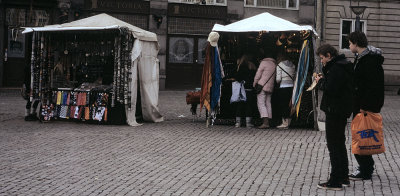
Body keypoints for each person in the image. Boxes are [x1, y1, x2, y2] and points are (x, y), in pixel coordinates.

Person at [315, 44, 354, 190]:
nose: (322, 61)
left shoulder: (337, 68)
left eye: (322, 58)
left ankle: (335, 180)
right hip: (340, 109)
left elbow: (331, 88)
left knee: (334, 145)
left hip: (335, 110)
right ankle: (343, 176)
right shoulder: (341, 65)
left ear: (329, 55)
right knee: (339, 143)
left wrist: (320, 82)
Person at [348, 31, 385, 181]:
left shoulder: (368, 61)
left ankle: (365, 170)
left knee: (360, 136)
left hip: (364, 106)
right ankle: (366, 167)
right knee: (363, 136)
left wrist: (365, 106)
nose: (349, 46)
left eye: (350, 43)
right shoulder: (362, 58)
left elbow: (372, 87)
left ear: (356, 43)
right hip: (361, 104)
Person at [253, 48, 277, 129]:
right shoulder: (275, 64)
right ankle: (268, 121)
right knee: (268, 103)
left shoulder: (263, 62)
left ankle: (265, 122)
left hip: (262, 85)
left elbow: (258, 74)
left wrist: (254, 83)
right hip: (270, 86)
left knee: (261, 103)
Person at [233, 54, 257, 128]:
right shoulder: (252, 67)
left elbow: (237, 77)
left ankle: (238, 123)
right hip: (249, 88)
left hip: (241, 89)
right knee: (248, 105)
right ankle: (248, 123)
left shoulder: (240, 67)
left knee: (240, 105)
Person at [275, 52, 296, 129]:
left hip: (283, 87)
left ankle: (284, 123)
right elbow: (294, 77)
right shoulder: (293, 65)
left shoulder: (279, 65)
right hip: (291, 87)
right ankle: (289, 122)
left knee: (283, 104)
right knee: (290, 104)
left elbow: (278, 79)